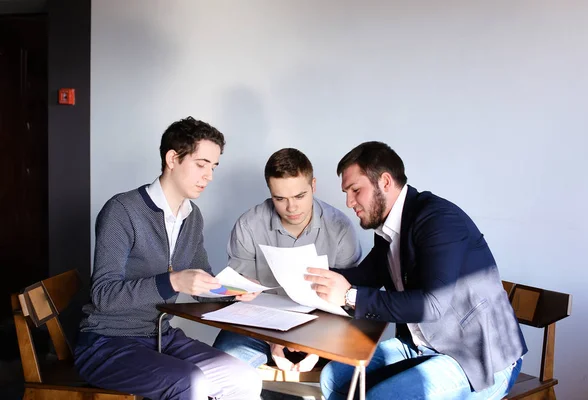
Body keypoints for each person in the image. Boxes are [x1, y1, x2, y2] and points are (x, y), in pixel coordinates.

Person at [305, 141, 527, 399]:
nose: (348, 201)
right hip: (421, 346)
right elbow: (360, 279)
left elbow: (432, 305)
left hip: (478, 358)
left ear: (385, 182)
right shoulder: (388, 230)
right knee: (333, 379)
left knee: (383, 396)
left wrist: (348, 296)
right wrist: (303, 275)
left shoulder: (439, 220)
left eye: (355, 190)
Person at [73, 117, 262, 400]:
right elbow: (103, 295)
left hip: (161, 337)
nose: (209, 175)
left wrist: (234, 291)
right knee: (191, 383)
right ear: (173, 158)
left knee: (244, 378)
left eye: (213, 166)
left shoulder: (192, 216)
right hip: (107, 342)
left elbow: (202, 285)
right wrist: (172, 281)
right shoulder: (122, 210)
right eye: (201, 164)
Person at [212, 148, 362, 373]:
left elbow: (349, 305)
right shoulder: (249, 224)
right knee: (221, 368)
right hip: (259, 327)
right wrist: (272, 339)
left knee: (353, 374)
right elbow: (238, 295)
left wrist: (317, 348)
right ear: (270, 192)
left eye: (299, 196)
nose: (291, 208)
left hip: (325, 328)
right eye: (280, 198)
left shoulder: (340, 228)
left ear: (313, 185)